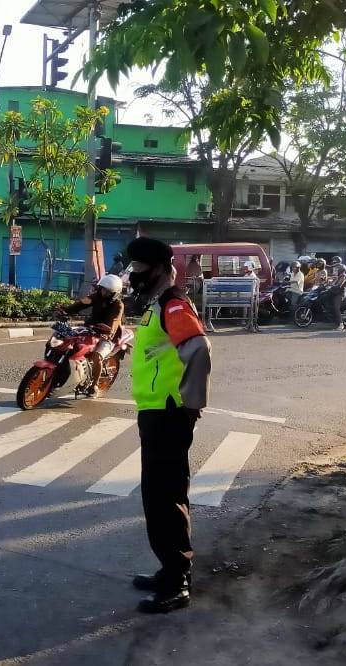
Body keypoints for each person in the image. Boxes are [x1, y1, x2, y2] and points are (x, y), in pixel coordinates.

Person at [124, 236, 212, 614]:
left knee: (167, 497)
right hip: (155, 412)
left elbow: (198, 349)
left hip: (169, 413)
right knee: (156, 497)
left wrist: (191, 404)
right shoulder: (156, 304)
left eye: (139, 269)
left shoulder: (174, 303)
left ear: (159, 268)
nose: (133, 275)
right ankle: (169, 569)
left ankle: (178, 582)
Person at [62, 274, 125, 396]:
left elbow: (115, 320)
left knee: (96, 356)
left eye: (107, 291)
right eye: (102, 289)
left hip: (108, 335)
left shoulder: (118, 305)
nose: (103, 292)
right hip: (91, 328)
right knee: (71, 343)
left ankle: (94, 385)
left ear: (115, 293)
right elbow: (81, 304)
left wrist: (108, 333)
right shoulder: (96, 297)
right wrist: (65, 311)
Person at [329, 263, 346, 330]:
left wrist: (332, 286)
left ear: (341, 270)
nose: (336, 270)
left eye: (338, 269)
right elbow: (332, 282)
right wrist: (328, 283)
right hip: (334, 293)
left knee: (336, 307)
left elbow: (339, 285)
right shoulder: (338, 276)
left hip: (340, 294)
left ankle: (341, 324)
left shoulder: (344, 276)